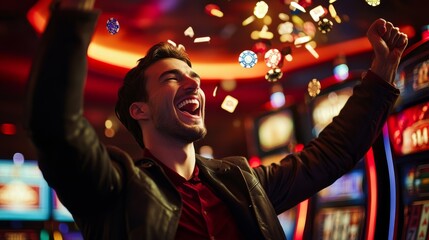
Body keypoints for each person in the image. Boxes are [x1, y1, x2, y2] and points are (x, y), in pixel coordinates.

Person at [25, 0, 408, 239]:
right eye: (172, 78)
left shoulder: (240, 180)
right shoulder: (117, 188)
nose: (193, 83)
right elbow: (57, 128)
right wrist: (73, 11)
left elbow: (330, 155)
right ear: (139, 110)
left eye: (195, 78)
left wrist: (382, 74)